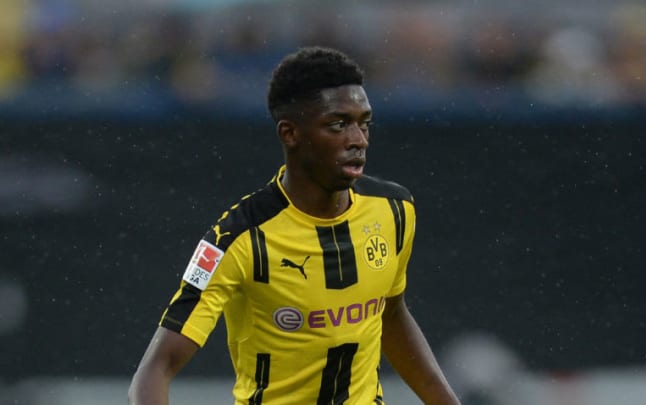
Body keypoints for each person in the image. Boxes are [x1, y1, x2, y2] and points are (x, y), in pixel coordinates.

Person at [128, 46, 460, 405]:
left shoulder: (394, 210)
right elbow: (155, 371)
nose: (358, 140)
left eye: (364, 123)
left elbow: (391, 315)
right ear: (290, 134)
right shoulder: (237, 238)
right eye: (338, 124)